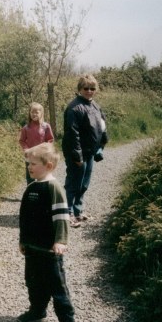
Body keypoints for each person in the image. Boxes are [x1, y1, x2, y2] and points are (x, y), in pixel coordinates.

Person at [17, 142, 75, 322]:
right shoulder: (31, 188)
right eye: (28, 164)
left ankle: (67, 321)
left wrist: (61, 240)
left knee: (56, 285)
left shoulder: (54, 188)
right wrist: (23, 240)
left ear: (48, 165)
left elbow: (61, 216)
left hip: (50, 250)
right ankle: (37, 311)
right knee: (33, 282)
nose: (29, 167)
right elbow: (24, 218)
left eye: (33, 163)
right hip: (32, 248)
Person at [61, 74, 108, 228]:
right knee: (74, 182)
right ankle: (67, 212)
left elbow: (102, 125)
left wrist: (102, 144)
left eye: (92, 88)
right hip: (77, 152)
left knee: (84, 184)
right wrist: (77, 155)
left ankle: (78, 210)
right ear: (80, 89)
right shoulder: (74, 108)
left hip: (90, 151)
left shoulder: (95, 105)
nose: (89, 91)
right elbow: (72, 134)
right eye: (86, 88)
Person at [18, 102, 54, 184]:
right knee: (30, 176)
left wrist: (44, 149)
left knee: (43, 175)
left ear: (41, 113)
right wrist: (26, 149)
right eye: (32, 112)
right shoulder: (26, 128)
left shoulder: (46, 126)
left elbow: (50, 140)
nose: (34, 114)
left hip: (42, 156)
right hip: (30, 155)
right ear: (29, 113)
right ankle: (31, 193)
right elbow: (22, 140)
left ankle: (42, 193)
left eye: (36, 112)